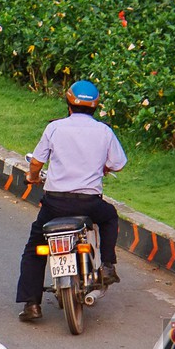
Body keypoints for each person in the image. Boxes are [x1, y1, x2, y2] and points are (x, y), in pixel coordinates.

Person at [15, 80, 127, 322]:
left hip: (55, 204)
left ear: (68, 105)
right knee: (109, 217)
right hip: (90, 203)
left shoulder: (55, 128)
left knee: (35, 248)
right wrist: (103, 168)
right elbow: (119, 163)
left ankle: (32, 303)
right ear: (95, 107)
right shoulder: (104, 131)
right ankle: (108, 264)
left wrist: (33, 177)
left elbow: (36, 162)